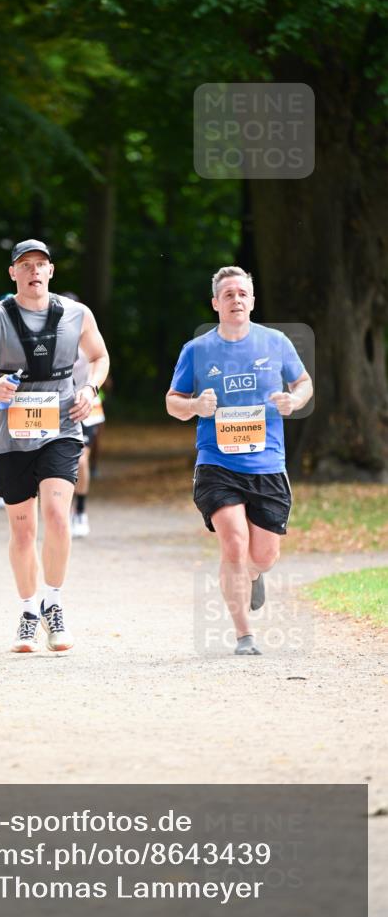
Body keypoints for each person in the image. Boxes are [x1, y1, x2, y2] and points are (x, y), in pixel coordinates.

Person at [0, 239, 110, 653]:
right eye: (26, 265)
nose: (34, 271)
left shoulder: (77, 314)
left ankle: (53, 603)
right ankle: (27, 612)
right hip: (12, 433)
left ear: (52, 271)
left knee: (58, 516)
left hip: (61, 425)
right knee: (23, 531)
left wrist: (90, 388)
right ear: (13, 274)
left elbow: (99, 357)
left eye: (41, 264)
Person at [165, 265, 313, 655]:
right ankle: (244, 635)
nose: (236, 300)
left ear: (252, 300)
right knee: (233, 543)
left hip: (267, 464)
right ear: (215, 303)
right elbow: (172, 402)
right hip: (217, 463)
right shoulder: (196, 351)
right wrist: (196, 405)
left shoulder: (276, 342)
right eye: (228, 294)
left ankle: (251, 574)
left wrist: (293, 400)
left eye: (242, 293)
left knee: (263, 555)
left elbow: (303, 383)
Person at [61, 291, 107, 538]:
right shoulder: (50, 336)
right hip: (57, 406)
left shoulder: (87, 334)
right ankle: (63, 512)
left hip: (86, 405)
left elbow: (101, 361)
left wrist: (90, 390)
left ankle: (80, 509)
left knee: (80, 460)